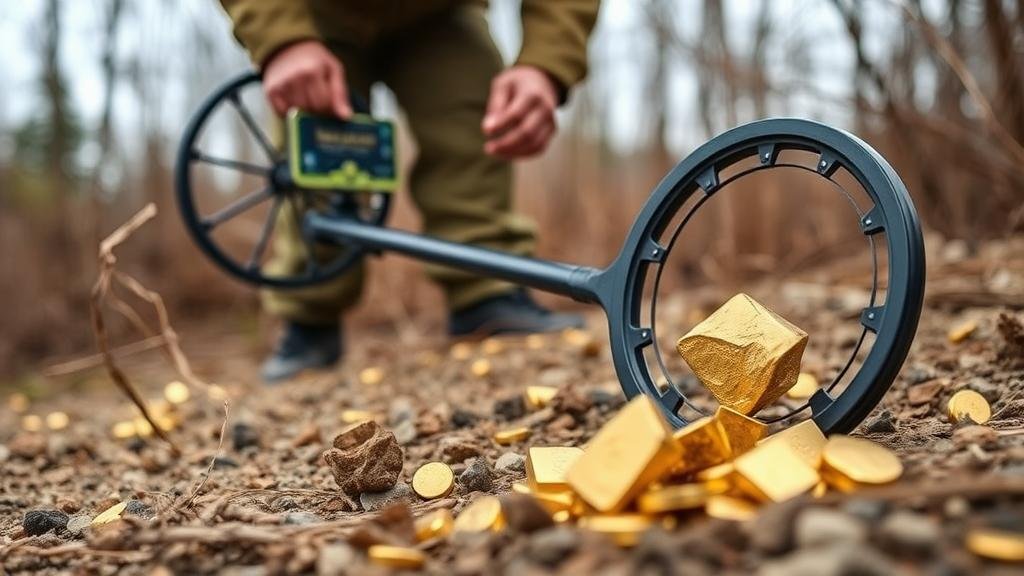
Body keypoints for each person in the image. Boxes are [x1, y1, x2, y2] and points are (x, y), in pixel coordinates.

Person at [219, 1, 601, 382]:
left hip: (441, 13)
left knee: (473, 112)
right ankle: (309, 321)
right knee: (318, 159)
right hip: (312, 13)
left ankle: (488, 294)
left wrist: (546, 64)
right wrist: (282, 37)